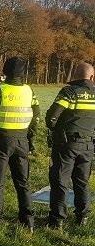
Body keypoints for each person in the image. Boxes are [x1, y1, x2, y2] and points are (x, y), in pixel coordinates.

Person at [0, 57, 40, 232]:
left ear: (5, 71)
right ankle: (28, 220)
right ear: (23, 73)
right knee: (23, 181)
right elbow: (36, 110)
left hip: (0, 141)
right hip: (22, 140)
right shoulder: (29, 91)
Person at [45, 62, 95, 229]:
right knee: (82, 182)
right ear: (92, 77)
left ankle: (57, 220)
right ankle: (83, 217)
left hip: (67, 144)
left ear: (75, 75)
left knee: (60, 180)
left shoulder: (69, 92)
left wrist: (56, 131)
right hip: (89, 145)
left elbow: (52, 117)